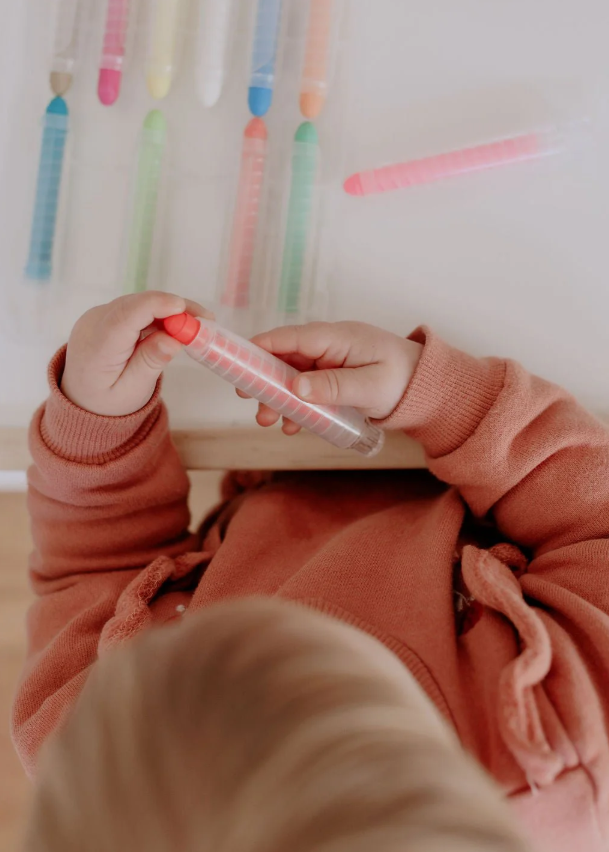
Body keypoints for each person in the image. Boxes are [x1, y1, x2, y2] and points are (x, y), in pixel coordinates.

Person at [13, 291, 609, 851]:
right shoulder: (571, 739)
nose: (286, 603)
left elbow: (95, 564)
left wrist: (97, 426)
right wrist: (443, 398)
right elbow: (594, 520)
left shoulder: (90, 744)